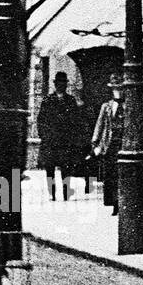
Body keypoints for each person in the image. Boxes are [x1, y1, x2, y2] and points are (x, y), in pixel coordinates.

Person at [36, 72, 83, 201]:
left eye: (63, 83)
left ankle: (66, 192)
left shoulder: (71, 101)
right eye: (59, 83)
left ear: (66, 85)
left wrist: (73, 137)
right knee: (49, 168)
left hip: (65, 141)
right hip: (50, 140)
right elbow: (41, 120)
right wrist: (44, 136)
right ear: (55, 84)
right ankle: (52, 193)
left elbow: (76, 121)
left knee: (66, 168)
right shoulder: (47, 100)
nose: (61, 85)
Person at [91, 75, 124, 213]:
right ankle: (112, 200)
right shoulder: (106, 106)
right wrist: (95, 142)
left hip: (121, 143)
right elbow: (99, 125)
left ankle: (118, 203)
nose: (118, 91)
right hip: (109, 144)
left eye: (120, 89)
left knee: (120, 174)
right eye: (115, 88)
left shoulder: (127, 105)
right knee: (109, 175)